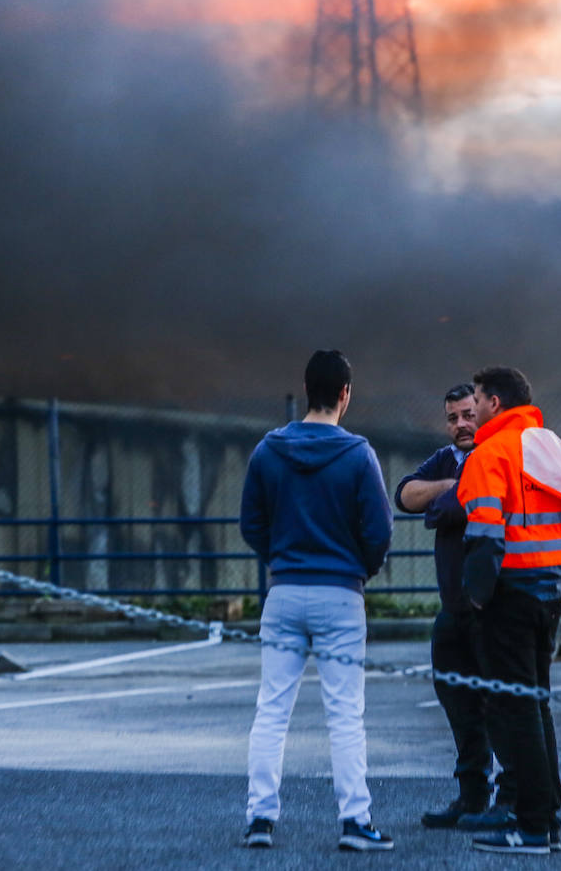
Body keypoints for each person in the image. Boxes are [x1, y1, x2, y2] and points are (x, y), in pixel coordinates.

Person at [239, 349, 396, 852]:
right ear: (345, 394)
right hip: (340, 595)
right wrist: (361, 568)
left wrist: (280, 557)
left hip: (283, 593)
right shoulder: (358, 454)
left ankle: (259, 820)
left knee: (271, 708)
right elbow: (379, 529)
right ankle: (355, 821)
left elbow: (252, 524)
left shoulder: (268, 450)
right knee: (345, 713)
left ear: (306, 389)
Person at [455, 366, 561, 855]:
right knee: (536, 705)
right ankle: (545, 821)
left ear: (496, 403)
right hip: (547, 598)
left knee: (516, 709)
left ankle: (530, 829)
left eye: (478, 400)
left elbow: (483, 534)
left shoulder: (490, 454)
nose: (474, 409)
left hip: (507, 598)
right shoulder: (558, 450)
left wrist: (477, 597)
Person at [395, 383, 515, 830]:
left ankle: (511, 799)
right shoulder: (447, 460)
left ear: (484, 411)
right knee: (458, 703)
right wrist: (449, 487)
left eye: (468, 414)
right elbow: (405, 496)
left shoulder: (499, 456)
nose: (462, 424)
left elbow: (453, 512)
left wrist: (444, 504)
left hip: (493, 607)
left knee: (502, 706)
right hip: (453, 610)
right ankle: (472, 797)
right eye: (453, 418)